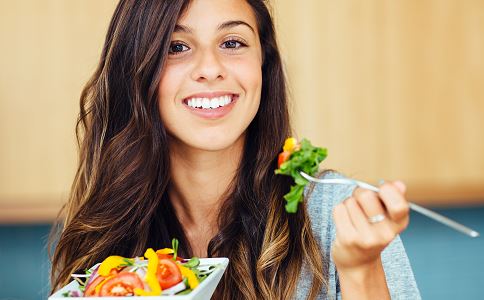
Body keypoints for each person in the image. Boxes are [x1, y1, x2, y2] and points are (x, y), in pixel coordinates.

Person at [50, 0, 421, 299]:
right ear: (136, 71)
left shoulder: (339, 212)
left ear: (264, 62)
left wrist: (361, 269)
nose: (210, 68)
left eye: (232, 43)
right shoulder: (103, 232)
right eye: (176, 47)